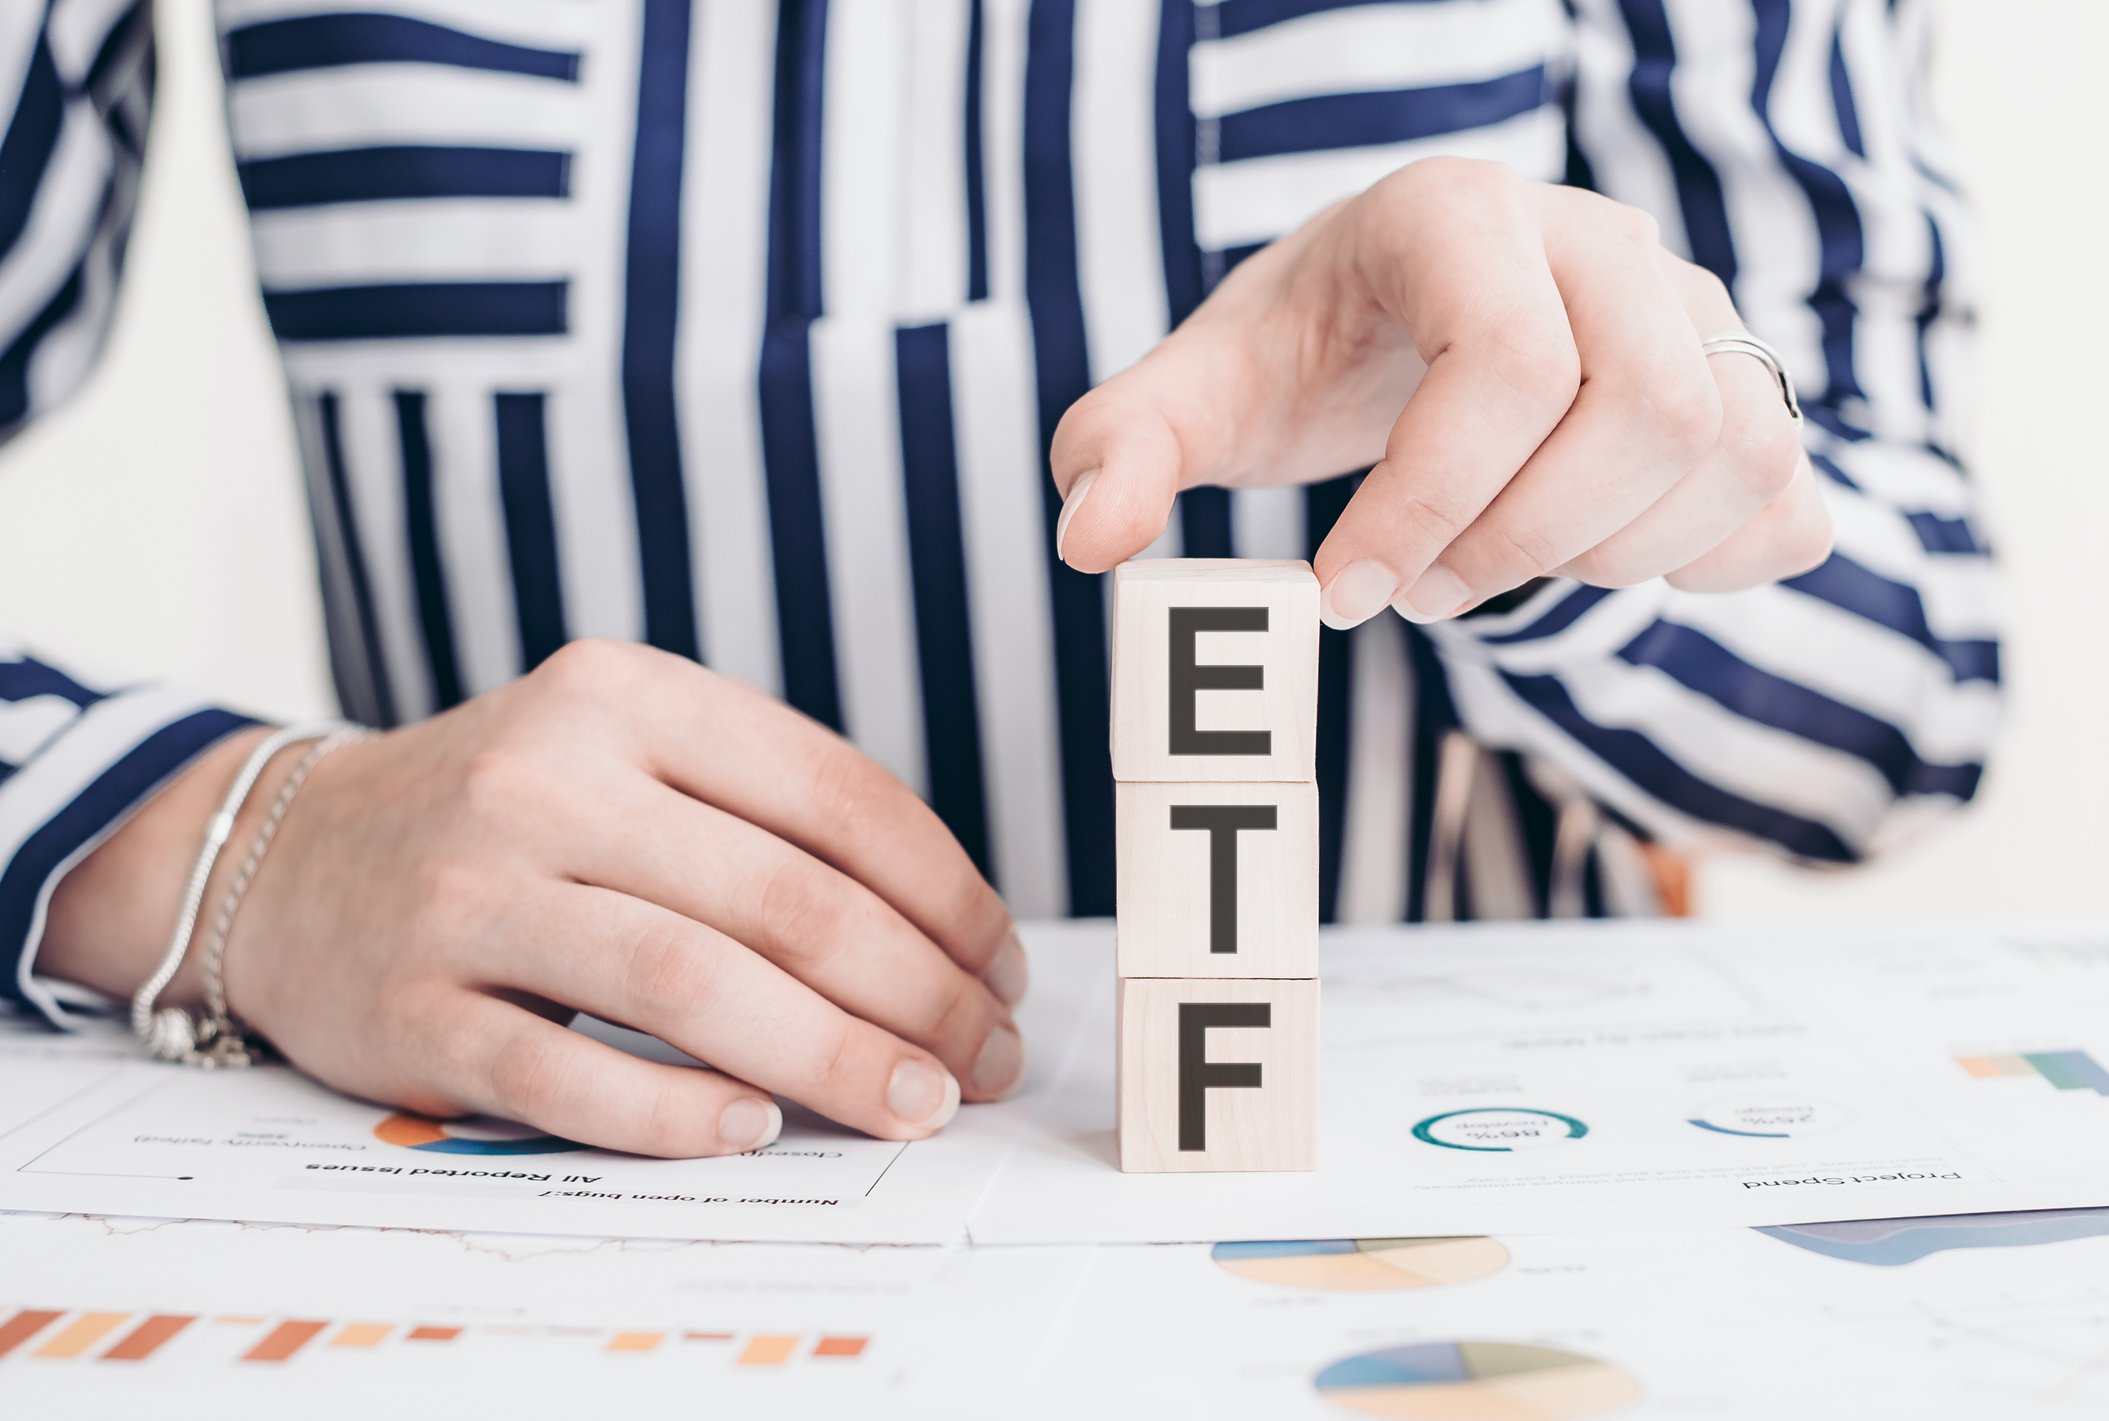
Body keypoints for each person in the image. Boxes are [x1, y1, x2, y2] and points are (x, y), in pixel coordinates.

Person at [0, 1, 1995, 1158]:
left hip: (1386, 1237)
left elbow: (1910, 700)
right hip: (545, 1205)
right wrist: (222, 844)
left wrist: (1534, 487)